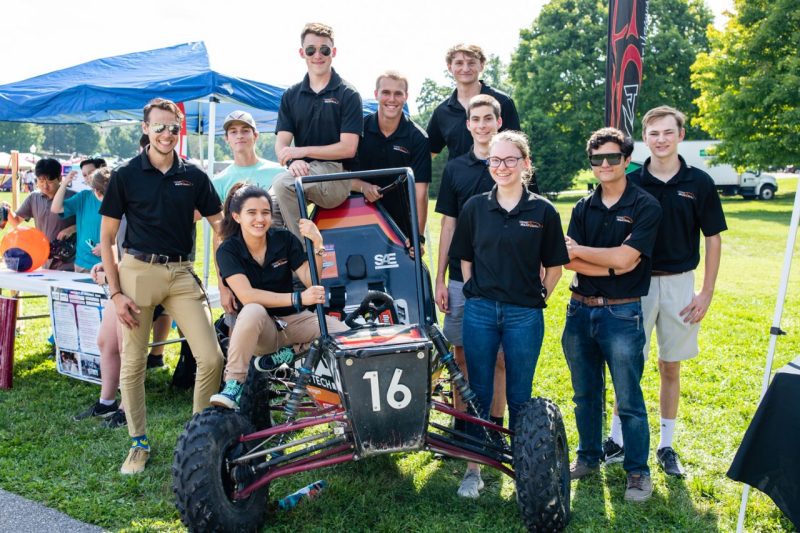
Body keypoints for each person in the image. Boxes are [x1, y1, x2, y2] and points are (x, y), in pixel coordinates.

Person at [99, 97, 225, 475]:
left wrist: (227, 277)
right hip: (137, 273)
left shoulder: (195, 176)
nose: (167, 134)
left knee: (212, 357)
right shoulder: (125, 175)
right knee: (134, 362)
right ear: (145, 129)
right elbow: (106, 239)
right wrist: (116, 292)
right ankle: (138, 443)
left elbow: (221, 227)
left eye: (173, 127)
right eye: (159, 127)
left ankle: (197, 437)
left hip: (182, 273)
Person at [601, 106, 727, 477]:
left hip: (679, 284)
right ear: (645, 139)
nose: (661, 139)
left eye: (668, 132)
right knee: (627, 365)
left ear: (680, 135)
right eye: (653, 133)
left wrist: (706, 292)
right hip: (634, 283)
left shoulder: (699, 182)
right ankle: (617, 439)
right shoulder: (632, 181)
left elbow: (714, 239)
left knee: (669, 365)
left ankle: (666, 444)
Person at [449, 130, 568, 498]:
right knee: (478, 393)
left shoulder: (543, 211)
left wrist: (536, 298)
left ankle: (524, 470)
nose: (502, 166)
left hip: (524, 315)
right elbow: (465, 258)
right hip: (481, 312)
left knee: (520, 396)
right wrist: (474, 292)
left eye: (510, 159)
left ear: (525, 164)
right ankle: (475, 468)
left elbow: (555, 268)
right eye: (495, 160)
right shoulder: (474, 207)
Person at [562, 127, 662, 502]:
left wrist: (598, 257)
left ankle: (637, 471)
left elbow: (626, 258)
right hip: (579, 312)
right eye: (597, 159)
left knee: (629, 399)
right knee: (585, 395)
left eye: (612, 157)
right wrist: (611, 266)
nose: (605, 164)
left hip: (622, 315)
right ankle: (588, 457)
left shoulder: (645, 206)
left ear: (626, 160)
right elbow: (568, 259)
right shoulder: (582, 207)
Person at [210, 184, 348, 408]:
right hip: (259, 327)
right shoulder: (227, 250)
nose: (260, 219)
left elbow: (311, 281)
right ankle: (233, 384)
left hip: (293, 320)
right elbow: (247, 296)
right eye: (251, 213)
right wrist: (298, 299)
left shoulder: (283, 238)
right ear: (236, 216)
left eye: (265, 212)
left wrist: (318, 243)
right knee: (253, 308)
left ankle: (289, 353)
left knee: (342, 333)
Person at [435, 94, 509, 435]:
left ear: (499, 122)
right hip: (459, 279)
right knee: (460, 355)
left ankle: (495, 425)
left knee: (499, 358)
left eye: (487, 119)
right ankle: (463, 424)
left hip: (504, 277)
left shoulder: (512, 165)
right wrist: (439, 279)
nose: (481, 125)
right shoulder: (455, 169)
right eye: (475, 119)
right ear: (468, 125)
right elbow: (448, 224)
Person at [272, 22, 362, 245]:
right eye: (311, 50)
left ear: (334, 52)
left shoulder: (348, 93)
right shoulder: (291, 95)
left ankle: (302, 255)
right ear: (302, 53)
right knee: (263, 208)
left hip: (337, 175)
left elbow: (348, 148)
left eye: (325, 49)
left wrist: (300, 152)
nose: (318, 55)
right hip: (303, 172)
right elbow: (282, 145)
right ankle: (275, 271)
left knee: (283, 185)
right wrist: (292, 161)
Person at [352, 71, 431, 240]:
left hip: (401, 225)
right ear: (376, 94)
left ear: (406, 97)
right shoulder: (358, 131)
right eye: (386, 92)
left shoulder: (418, 138)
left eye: (398, 94)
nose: (392, 99)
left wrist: (418, 238)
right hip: (358, 219)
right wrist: (363, 187)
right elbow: (341, 177)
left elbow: (421, 193)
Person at [427, 44, 520, 161]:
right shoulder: (442, 112)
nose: (465, 69)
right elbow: (428, 152)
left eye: (471, 63)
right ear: (450, 67)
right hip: (456, 178)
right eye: (459, 63)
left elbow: (519, 148)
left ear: (481, 65)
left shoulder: (502, 102)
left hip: (497, 177)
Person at [3, 158, 76, 270]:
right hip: (44, 259)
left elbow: (92, 223)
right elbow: (16, 222)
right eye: (41, 181)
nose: (45, 186)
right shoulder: (33, 198)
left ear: (60, 179)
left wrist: (71, 229)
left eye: (50, 182)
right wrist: (7, 210)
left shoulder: (74, 197)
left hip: (69, 260)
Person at [212, 110, 284, 216]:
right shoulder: (219, 181)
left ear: (255, 135)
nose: (239, 136)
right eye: (233, 132)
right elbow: (221, 227)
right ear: (226, 138)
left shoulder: (279, 172)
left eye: (245, 130)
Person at [50, 167, 109, 273]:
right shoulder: (84, 197)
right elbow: (56, 208)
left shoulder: (118, 201)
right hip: (82, 264)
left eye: (91, 173)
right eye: (84, 175)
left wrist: (107, 247)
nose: (88, 178)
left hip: (107, 264)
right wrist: (63, 184)